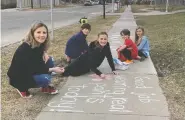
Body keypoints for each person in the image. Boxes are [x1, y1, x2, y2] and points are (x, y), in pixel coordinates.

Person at [7, 22, 64, 98]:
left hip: (30, 70)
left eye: (44, 32)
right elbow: (36, 68)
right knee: (46, 78)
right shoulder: (26, 48)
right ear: (32, 33)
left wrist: (44, 52)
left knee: (49, 60)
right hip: (19, 77)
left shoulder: (38, 44)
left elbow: (38, 62)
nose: (42, 35)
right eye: (38, 32)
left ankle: (45, 87)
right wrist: (54, 69)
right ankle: (22, 88)